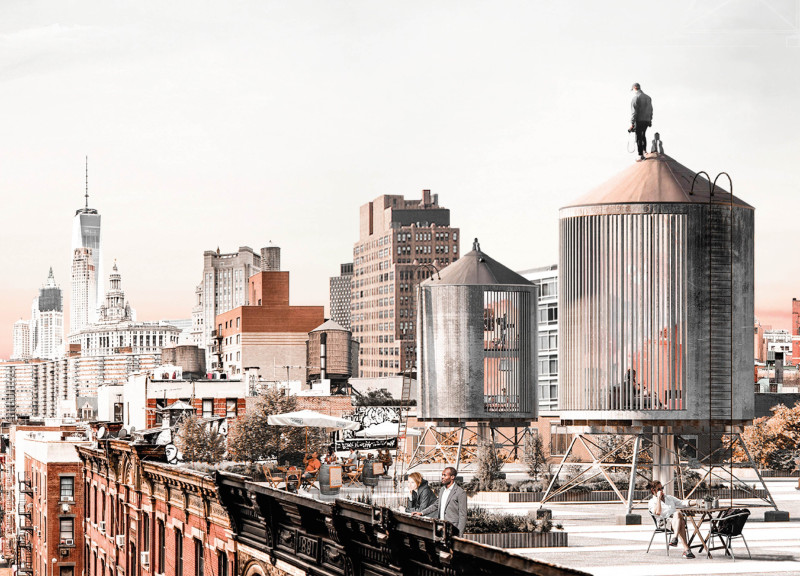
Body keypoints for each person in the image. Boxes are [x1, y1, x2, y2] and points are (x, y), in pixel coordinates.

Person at [648, 480, 695, 559]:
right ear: (653, 490)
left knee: (678, 516)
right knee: (680, 520)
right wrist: (659, 498)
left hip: (674, 520)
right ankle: (686, 549)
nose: (661, 490)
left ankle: (676, 539)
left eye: (662, 488)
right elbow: (658, 512)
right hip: (664, 522)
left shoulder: (669, 498)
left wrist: (697, 502)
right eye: (659, 489)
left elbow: (682, 503)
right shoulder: (652, 502)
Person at [415, 467, 468, 536]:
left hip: (453, 529)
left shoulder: (460, 493)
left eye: (445, 475)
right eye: (442, 475)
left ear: (452, 477)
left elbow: (463, 515)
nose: (442, 477)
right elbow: (436, 505)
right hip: (441, 528)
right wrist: (421, 513)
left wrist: (460, 534)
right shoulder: (442, 490)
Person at [629, 83, 653, 162]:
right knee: (643, 135)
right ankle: (644, 151)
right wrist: (650, 120)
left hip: (639, 120)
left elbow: (634, 112)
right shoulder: (648, 98)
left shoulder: (635, 98)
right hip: (646, 120)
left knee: (638, 137)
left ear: (635, 88)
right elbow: (651, 110)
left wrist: (632, 124)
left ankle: (640, 155)